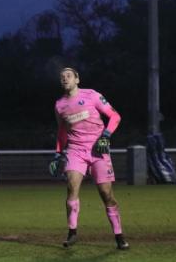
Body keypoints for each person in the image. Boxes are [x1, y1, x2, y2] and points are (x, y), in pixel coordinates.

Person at [50, 67, 129, 250]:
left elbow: (115, 116)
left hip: (97, 149)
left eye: (68, 75)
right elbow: (62, 131)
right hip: (75, 150)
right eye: (62, 77)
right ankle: (72, 233)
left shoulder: (92, 95)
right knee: (71, 185)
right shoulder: (59, 105)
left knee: (106, 195)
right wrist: (57, 154)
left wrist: (106, 135)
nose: (65, 78)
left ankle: (119, 235)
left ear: (77, 79)